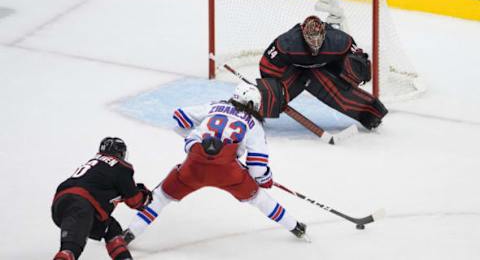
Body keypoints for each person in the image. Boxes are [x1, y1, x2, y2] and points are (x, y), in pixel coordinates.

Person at [121, 83, 307, 244]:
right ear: (252, 103)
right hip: (229, 173)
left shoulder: (215, 107)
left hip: (194, 165)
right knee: (259, 198)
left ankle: (130, 233)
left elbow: (179, 117)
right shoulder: (254, 125)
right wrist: (265, 178)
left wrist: (200, 138)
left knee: (161, 196)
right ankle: (295, 227)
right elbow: (257, 170)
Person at [258, 15, 388, 129]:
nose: (315, 43)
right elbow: (266, 64)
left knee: (341, 92)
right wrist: (275, 87)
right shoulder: (287, 43)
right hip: (293, 72)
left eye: (318, 38)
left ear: (324, 33)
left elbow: (356, 55)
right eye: (310, 39)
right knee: (270, 100)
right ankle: (251, 109)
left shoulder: (339, 40)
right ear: (303, 34)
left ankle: (371, 114)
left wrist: (359, 67)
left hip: (323, 70)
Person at [51, 137, 153, 260]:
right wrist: (145, 196)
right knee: (70, 251)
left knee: (111, 228)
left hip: (62, 204)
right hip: (81, 205)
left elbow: (103, 189)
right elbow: (135, 201)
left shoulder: (95, 163)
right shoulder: (120, 166)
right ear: (120, 153)